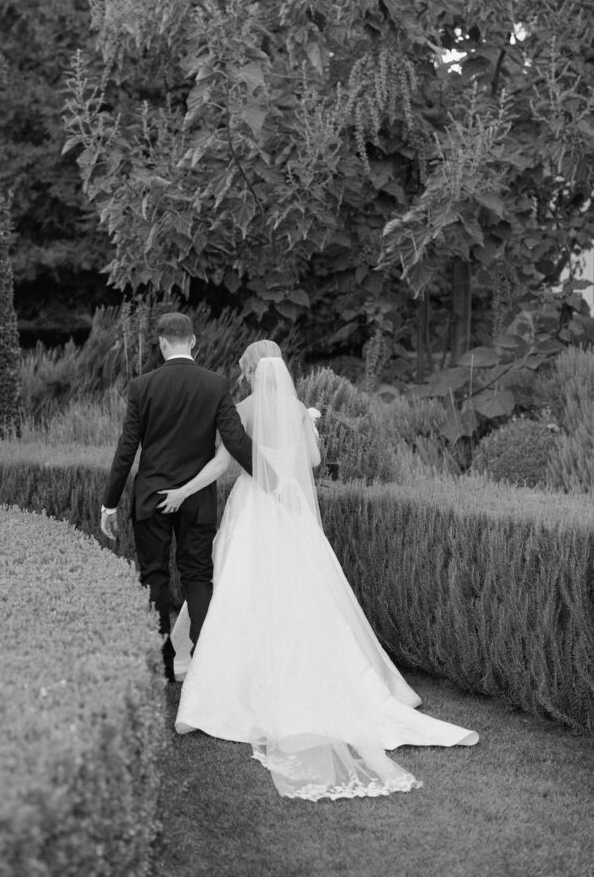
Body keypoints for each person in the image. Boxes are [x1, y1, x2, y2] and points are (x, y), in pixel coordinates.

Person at [157, 340, 479, 801]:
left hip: (252, 510)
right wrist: (305, 427)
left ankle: (223, 693)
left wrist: (185, 490)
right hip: (290, 515)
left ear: (250, 370)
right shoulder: (294, 409)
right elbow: (310, 462)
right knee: (304, 593)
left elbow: (225, 464)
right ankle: (335, 681)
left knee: (241, 593)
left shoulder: (242, 409)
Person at [100, 312, 253, 682]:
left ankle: (162, 665)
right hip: (197, 499)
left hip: (151, 497)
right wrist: (272, 478)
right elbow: (235, 441)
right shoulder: (215, 384)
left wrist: (110, 503)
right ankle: (207, 662)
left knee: (154, 577)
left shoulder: (142, 386)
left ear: (162, 343)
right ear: (194, 342)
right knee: (198, 577)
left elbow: (126, 451)